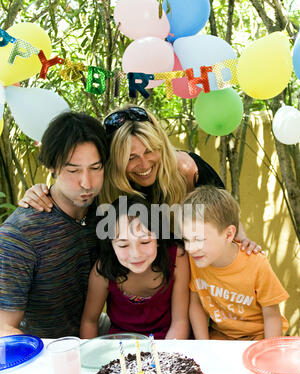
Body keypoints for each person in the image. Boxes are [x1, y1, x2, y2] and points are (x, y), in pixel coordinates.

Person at [18, 105, 261, 255]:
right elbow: (70, 192)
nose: (144, 165)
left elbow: (225, 215)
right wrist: (39, 191)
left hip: (194, 283)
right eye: (131, 158)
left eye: (149, 151)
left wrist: (242, 239)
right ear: (115, 160)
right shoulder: (103, 188)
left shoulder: (186, 169)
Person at [0, 111, 109, 338]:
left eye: (95, 168)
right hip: (46, 349)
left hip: (96, 334)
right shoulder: (20, 234)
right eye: (73, 170)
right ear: (52, 167)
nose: (86, 182)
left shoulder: (104, 211)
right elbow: (4, 330)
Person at [181, 185, 289, 340]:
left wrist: (268, 352)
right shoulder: (197, 258)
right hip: (220, 336)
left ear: (228, 234)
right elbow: (196, 303)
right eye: (186, 239)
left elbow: (272, 314)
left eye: (198, 239)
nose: (190, 248)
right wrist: (203, 345)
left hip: (258, 336)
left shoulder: (256, 264)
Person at [80, 194, 190, 339]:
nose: (135, 254)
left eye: (144, 242)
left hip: (168, 342)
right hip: (121, 346)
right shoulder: (104, 270)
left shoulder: (176, 258)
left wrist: (166, 359)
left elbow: (180, 322)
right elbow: (89, 322)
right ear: (111, 244)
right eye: (123, 245)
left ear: (158, 238)